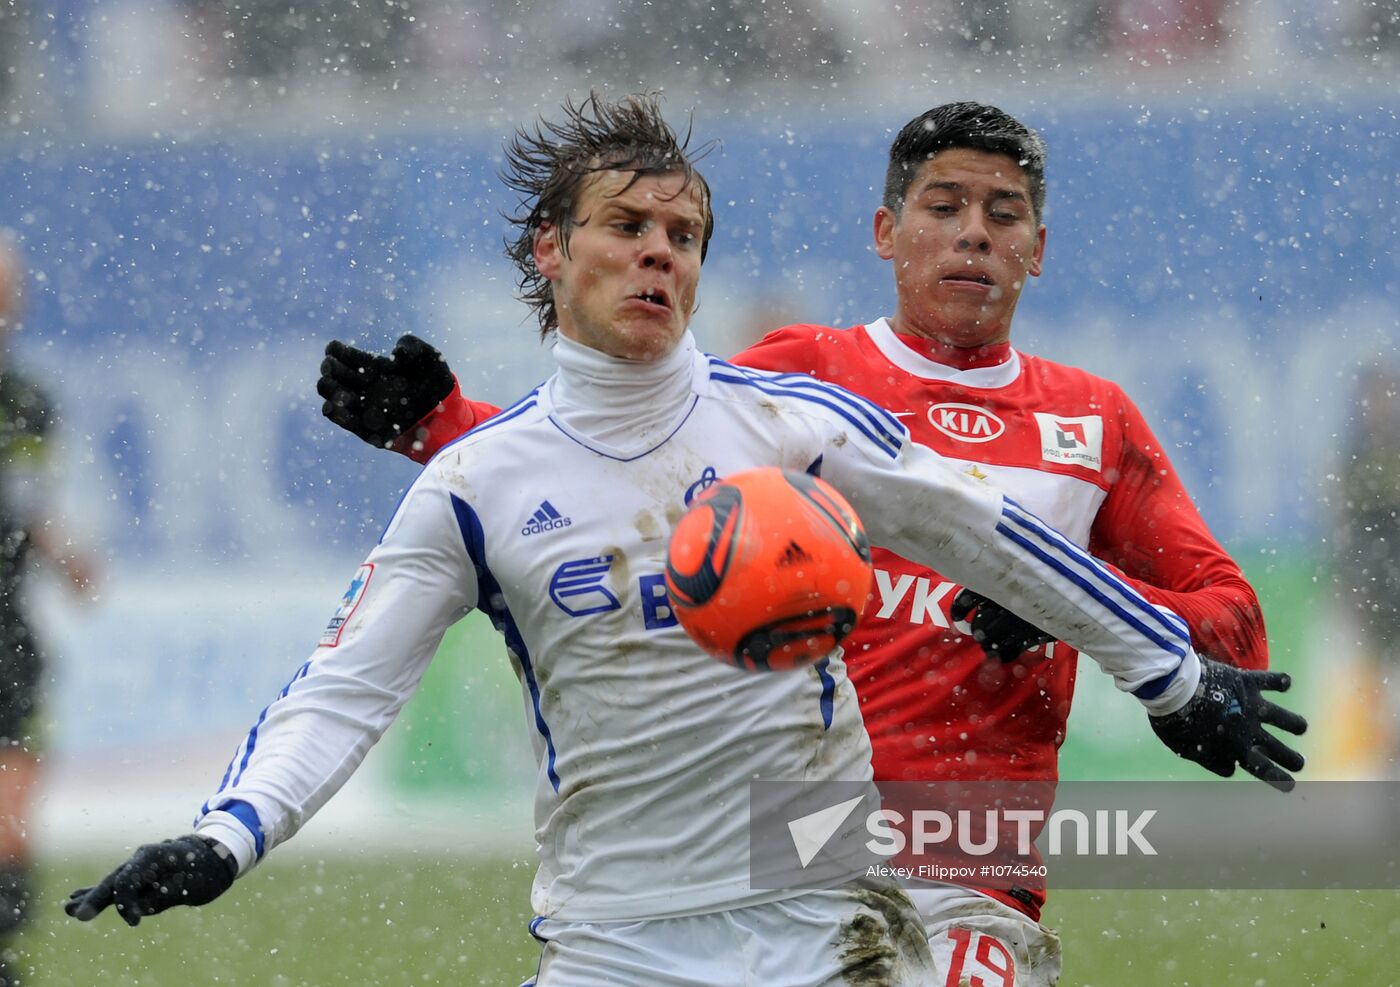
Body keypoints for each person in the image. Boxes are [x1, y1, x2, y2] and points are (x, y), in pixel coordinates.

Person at [67, 94, 1300, 986]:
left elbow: (982, 531)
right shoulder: (473, 484)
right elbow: (343, 690)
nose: (658, 250)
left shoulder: (788, 421)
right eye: (626, 226)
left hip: (838, 925)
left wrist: (1172, 669)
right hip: (611, 948)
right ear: (550, 253)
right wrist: (225, 835)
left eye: (684, 234)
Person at [0, 234, 97, 987]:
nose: (13, 295)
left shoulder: (26, 400)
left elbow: (29, 506)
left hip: (7, 630)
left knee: (12, 803)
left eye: (16, 282)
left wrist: (64, 554)